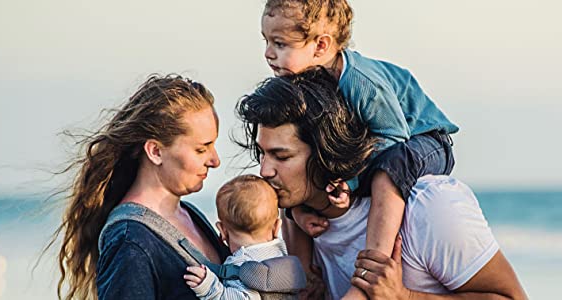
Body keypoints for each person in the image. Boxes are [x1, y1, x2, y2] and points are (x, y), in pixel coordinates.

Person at [237, 69, 527, 299]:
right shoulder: (293, 224)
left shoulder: (430, 208)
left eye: (281, 156)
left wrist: (405, 297)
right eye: (262, 153)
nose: (265, 170)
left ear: (326, 153)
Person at [260, 1, 459, 284]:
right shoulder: (311, 78)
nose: (268, 54)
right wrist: (301, 210)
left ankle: (373, 267)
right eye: (266, 41)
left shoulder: (361, 83)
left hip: (424, 139)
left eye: (280, 44)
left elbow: (393, 136)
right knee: (302, 169)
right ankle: (305, 275)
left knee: (387, 173)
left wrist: (350, 180)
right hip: (389, 142)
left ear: (320, 46)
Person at [51, 74, 228, 300]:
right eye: (201, 150)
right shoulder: (130, 241)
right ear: (155, 151)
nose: (215, 161)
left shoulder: (191, 215)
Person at [184, 174, 303, 299]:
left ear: (222, 231)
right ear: (277, 227)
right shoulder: (280, 255)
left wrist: (209, 288)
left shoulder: (244, 265)